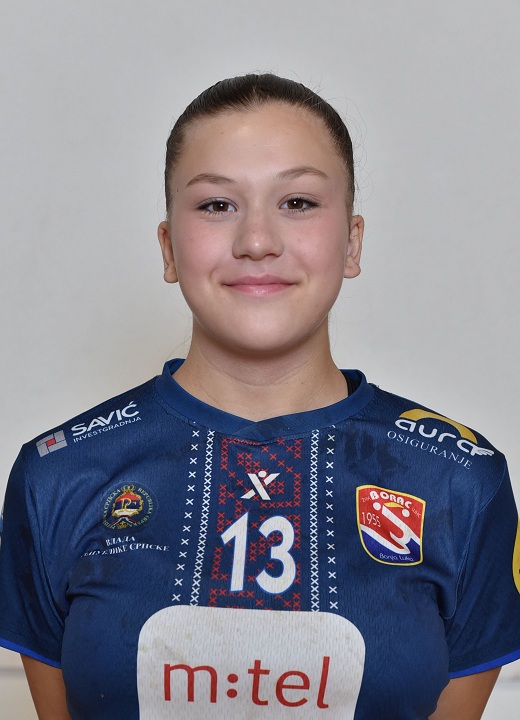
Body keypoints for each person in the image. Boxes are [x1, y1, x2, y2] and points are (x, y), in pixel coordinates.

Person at [0, 73, 519, 720]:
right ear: (169, 248)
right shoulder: (57, 474)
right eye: (217, 205)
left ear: (352, 241)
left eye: (298, 202)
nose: (256, 241)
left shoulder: (459, 481)